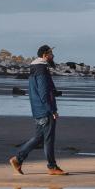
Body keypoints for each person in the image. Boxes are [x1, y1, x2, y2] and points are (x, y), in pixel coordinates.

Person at [10, 44, 65, 176]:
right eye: (51, 54)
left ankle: (17, 160)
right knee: (48, 139)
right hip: (44, 110)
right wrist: (52, 110)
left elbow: (38, 90)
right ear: (45, 55)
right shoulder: (41, 70)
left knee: (39, 138)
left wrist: (54, 92)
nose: (53, 56)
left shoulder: (36, 68)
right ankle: (52, 166)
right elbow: (43, 94)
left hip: (37, 109)